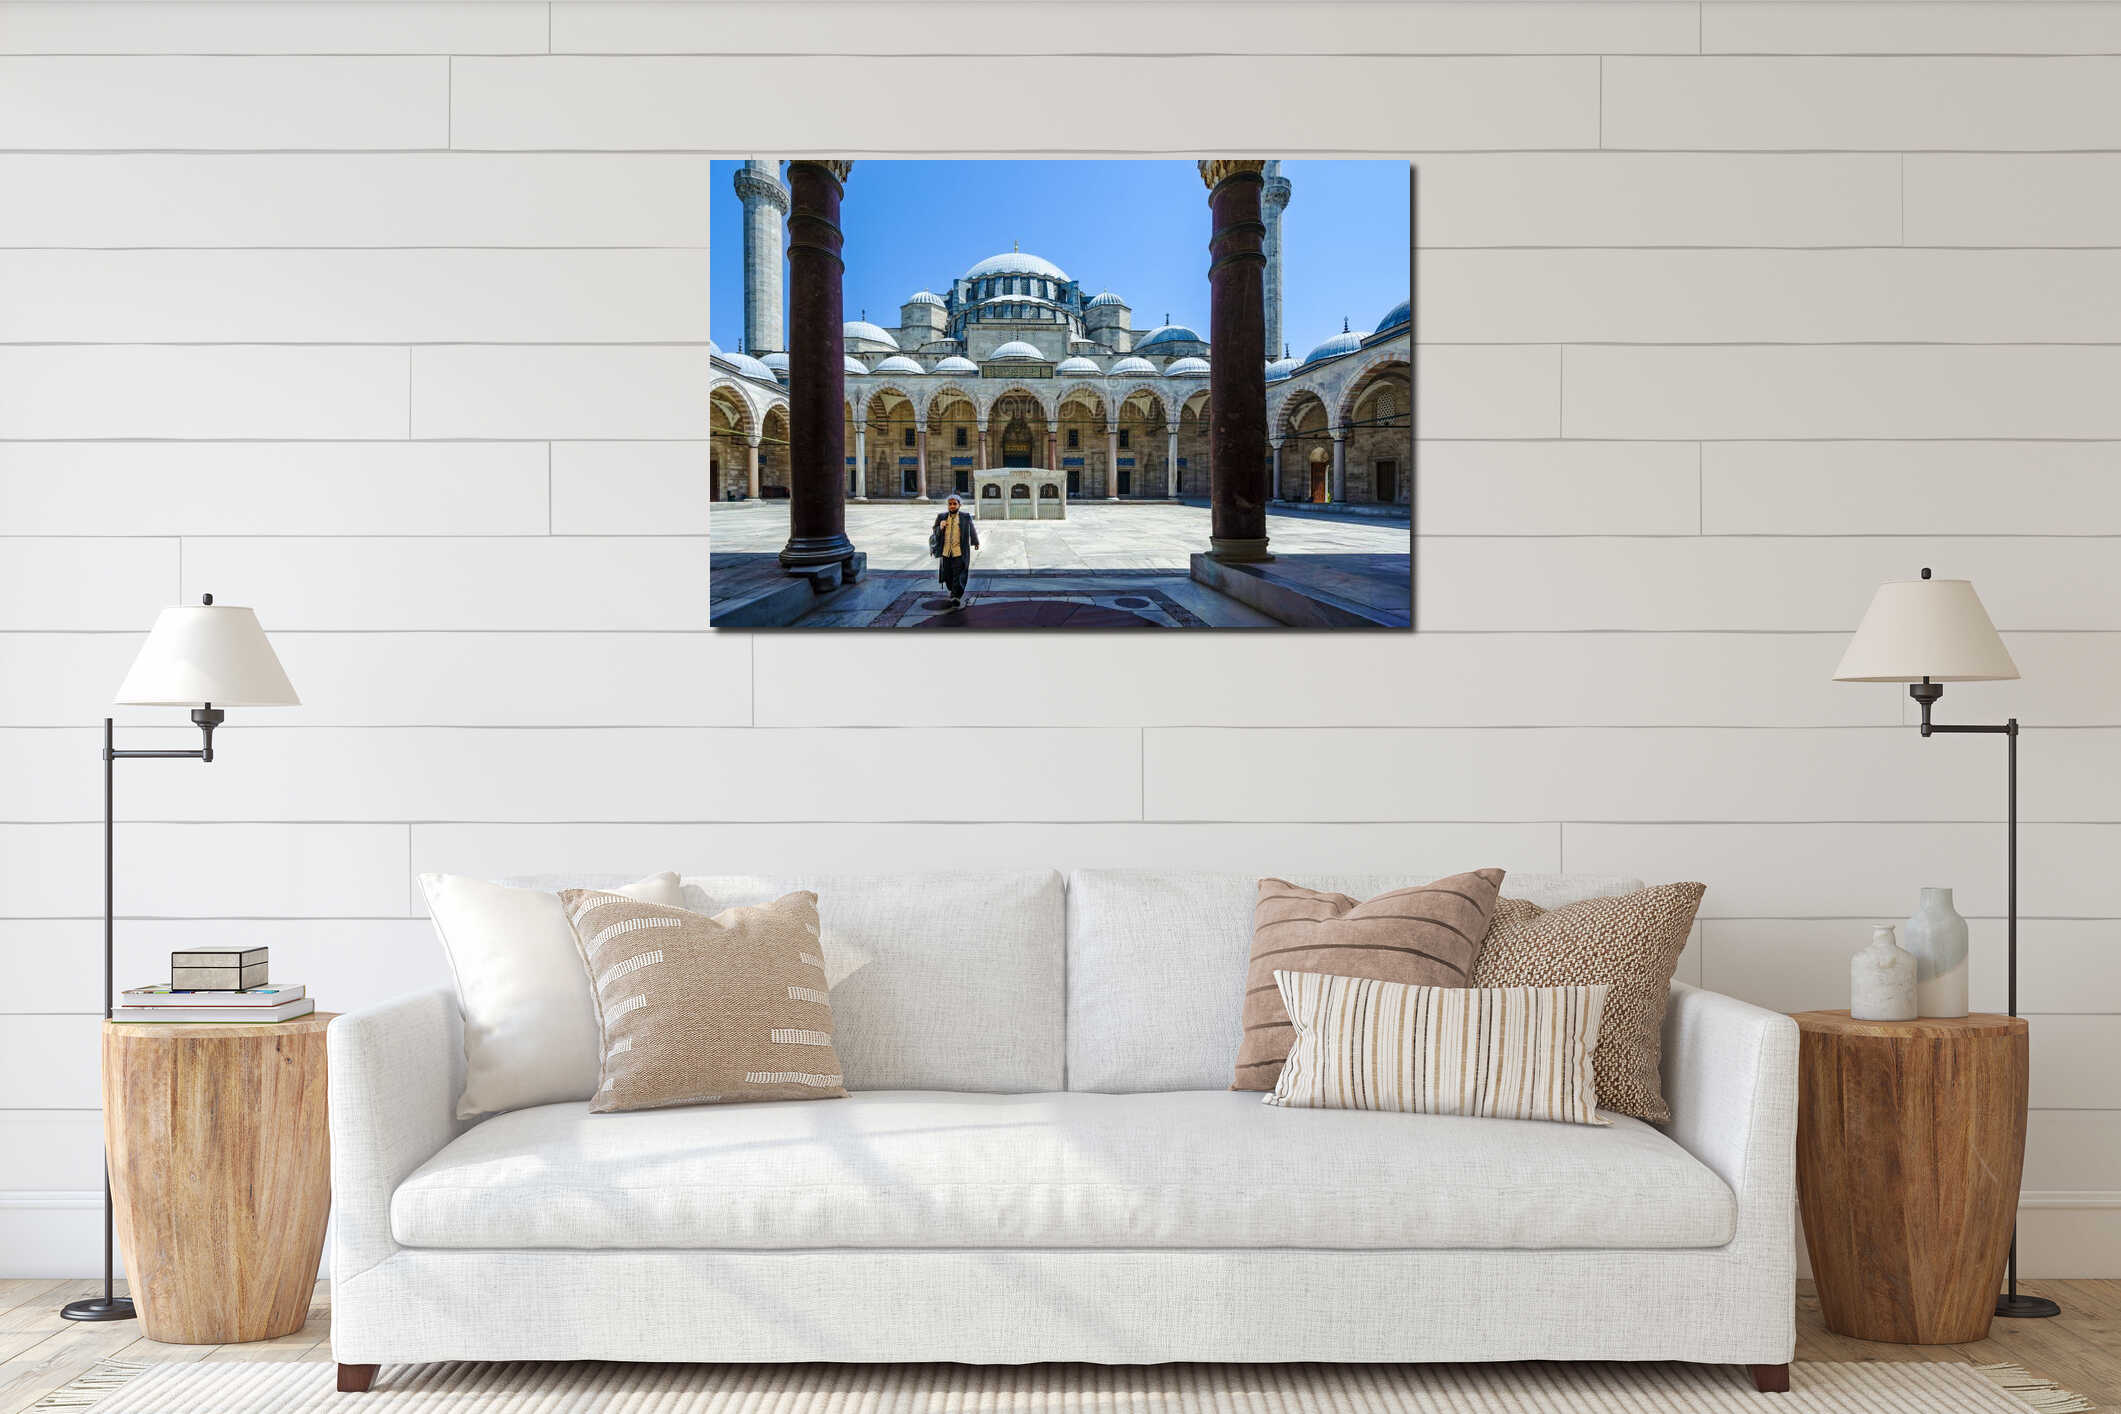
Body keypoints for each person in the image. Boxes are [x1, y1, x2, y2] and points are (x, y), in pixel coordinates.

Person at [929, 494, 979, 606]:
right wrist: (940, 527)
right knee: (947, 574)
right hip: (946, 551)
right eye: (950, 504)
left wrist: (975, 541)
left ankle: (956, 595)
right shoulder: (941, 516)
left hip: (959, 551)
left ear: (959, 505)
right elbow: (934, 531)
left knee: (959, 573)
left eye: (954, 504)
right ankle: (952, 590)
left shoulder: (965, 517)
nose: (952, 506)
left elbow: (972, 529)